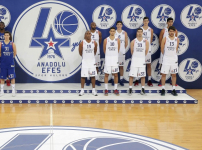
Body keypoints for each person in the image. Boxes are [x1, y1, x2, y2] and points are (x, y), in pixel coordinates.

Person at [128, 28, 149, 95]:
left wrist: (141, 57)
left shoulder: (146, 41)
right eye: (138, 32)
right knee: (131, 75)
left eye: (141, 32)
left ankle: (143, 89)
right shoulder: (133, 41)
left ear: (142, 33)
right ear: (137, 33)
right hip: (135, 60)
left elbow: (146, 51)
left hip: (142, 60)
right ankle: (130, 88)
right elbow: (132, 52)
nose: (139, 33)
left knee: (143, 76)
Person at [134, 17, 153, 87]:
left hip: (147, 49)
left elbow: (150, 40)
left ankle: (149, 80)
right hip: (140, 49)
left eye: (146, 21)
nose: (145, 22)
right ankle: (136, 79)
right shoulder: (140, 29)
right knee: (138, 64)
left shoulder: (150, 29)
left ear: (148, 21)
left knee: (148, 64)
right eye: (144, 21)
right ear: (143, 21)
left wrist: (147, 47)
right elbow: (137, 39)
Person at [160, 26, 179, 96]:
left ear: (174, 32)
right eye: (170, 31)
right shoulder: (165, 39)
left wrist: (172, 55)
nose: (171, 32)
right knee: (164, 74)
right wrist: (166, 56)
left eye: (172, 31)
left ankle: (173, 89)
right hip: (166, 58)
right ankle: (163, 89)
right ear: (168, 32)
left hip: (173, 58)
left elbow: (176, 49)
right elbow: (162, 49)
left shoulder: (177, 39)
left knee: (174, 74)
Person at [159, 18, 178, 86]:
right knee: (162, 65)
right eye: (169, 22)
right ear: (167, 23)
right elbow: (160, 40)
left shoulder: (175, 31)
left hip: (172, 53)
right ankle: (160, 81)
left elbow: (176, 43)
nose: (170, 23)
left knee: (172, 68)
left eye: (171, 22)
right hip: (165, 51)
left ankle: (171, 81)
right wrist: (163, 50)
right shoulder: (163, 30)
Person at [78, 31, 98, 96]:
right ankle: (82, 90)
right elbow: (80, 52)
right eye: (87, 33)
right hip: (85, 62)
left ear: (91, 35)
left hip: (92, 62)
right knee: (83, 76)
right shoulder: (82, 43)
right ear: (85, 35)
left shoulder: (94, 42)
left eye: (89, 33)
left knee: (93, 76)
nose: (88, 35)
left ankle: (93, 90)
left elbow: (95, 51)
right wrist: (85, 57)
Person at [103, 27, 120, 96]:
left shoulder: (117, 39)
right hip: (108, 59)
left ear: (115, 32)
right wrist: (108, 56)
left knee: (115, 74)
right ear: (109, 32)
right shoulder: (106, 40)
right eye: (111, 31)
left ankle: (115, 89)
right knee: (106, 74)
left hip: (115, 59)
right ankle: (106, 89)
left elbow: (118, 50)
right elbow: (104, 50)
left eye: (113, 31)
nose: (112, 32)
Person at [0, 31, 17, 96]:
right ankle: (2, 91)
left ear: (9, 36)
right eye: (5, 35)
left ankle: (13, 91)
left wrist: (10, 58)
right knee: (2, 78)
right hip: (3, 63)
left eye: (7, 35)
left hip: (10, 63)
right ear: (3, 36)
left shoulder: (12, 44)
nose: (6, 36)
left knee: (12, 77)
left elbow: (15, 53)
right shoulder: (1, 43)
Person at [86, 22, 102, 86]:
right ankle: (88, 79)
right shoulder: (88, 33)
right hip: (89, 52)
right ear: (90, 25)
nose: (94, 26)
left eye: (95, 25)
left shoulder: (99, 32)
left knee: (96, 66)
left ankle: (96, 79)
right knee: (89, 66)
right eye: (92, 24)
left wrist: (96, 47)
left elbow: (99, 41)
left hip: (97, 52)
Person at [114, 21, 128, 86]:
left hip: (122, 52)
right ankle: (113, 79)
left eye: (120, 24)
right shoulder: (114, 32)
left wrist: (122, 49)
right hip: (114, 52)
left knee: (121, 66)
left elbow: (126, 43)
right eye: (118, 24)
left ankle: (121, 79)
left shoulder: (124, 33)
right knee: (114, 66)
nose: (119, 25)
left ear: (122, 25)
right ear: (116, 25)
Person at [0, 22, 11, 86]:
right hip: (0, 51)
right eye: (0, 25)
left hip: (6, 52)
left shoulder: (6, 34)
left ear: (4, 25)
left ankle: (8, 80)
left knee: (7, 66)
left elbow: (10, 42)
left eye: (2, 25)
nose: (1, 26)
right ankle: (1, 79)